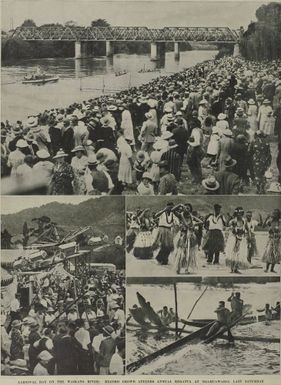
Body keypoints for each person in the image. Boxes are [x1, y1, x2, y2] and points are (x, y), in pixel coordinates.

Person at [174, 204, 200, 274]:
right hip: (183, 236)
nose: (186, 209)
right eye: (185, 208)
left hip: (191, 236)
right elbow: (173, 210)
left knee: (190, 253)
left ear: (190, 210)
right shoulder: (180, 215)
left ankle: (187, 269)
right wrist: (179, 205)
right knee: (181, 252)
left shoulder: (191, 217)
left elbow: (201, 222)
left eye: (188, 208)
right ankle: (178, 268)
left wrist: (194, 225)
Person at [225, 207, 251, 274]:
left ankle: (236, 268)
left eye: (240, 213)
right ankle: (232, 268)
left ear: (242, 213)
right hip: (234, 239)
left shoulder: (244, 221)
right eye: (237, 213)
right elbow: (229, 228)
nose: (239, 214)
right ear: (236, 214)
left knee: (239, 254)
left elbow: (248, 230)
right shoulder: (233, 221)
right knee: (233, 253)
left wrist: (249, 237)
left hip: (241, 239)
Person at [262, 209, 281, 273]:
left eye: (276, 214)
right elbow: (263, 226)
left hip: (277, 240)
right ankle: (267, 268)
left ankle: (272, 269)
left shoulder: (279, 222)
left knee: (276, 254)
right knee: (269, 253)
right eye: (274, 214)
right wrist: (266, 218)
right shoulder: (270, 221)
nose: (275, 215)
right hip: (271, 239)